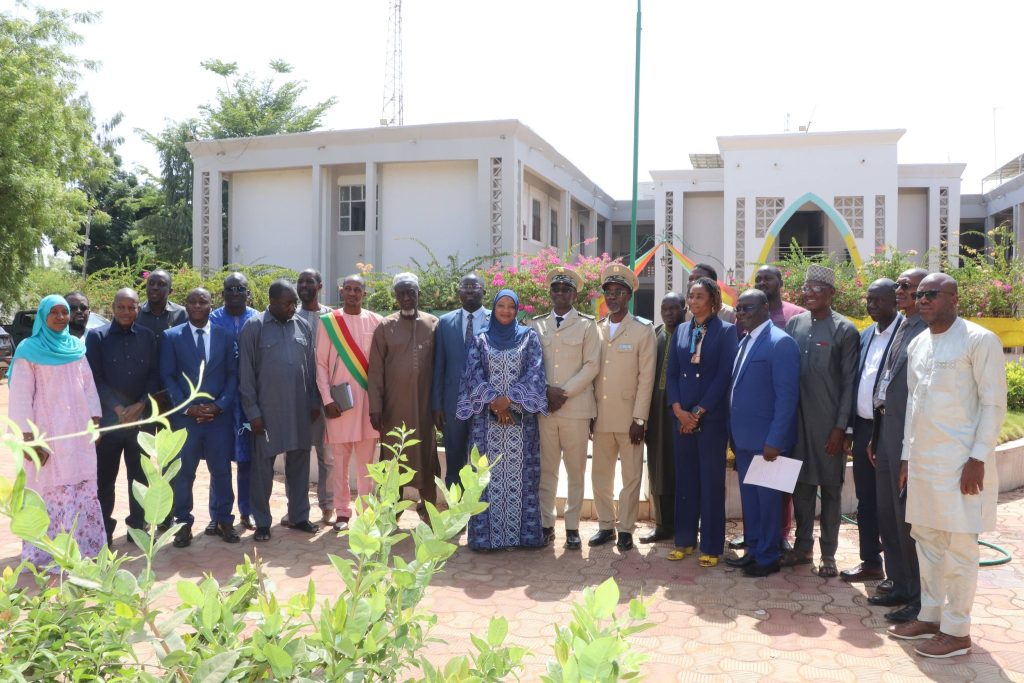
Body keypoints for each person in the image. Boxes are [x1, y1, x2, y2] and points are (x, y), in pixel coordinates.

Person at [888, 273, 1006, 658]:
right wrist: (907, 457)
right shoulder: (919, 343)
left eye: (931, 294)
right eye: (919, 294)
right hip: (923, 463)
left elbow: (993, 403)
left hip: (961, 463)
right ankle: (931, 615)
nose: (922, 299)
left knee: (959, 547)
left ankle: (957, 631)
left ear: (953, 298)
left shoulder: (979, 340)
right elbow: (913, 407)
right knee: (926, 541)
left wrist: (978, 457)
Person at [7, 295, 106, 569]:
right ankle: (46, 554)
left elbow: (88, 386)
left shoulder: (75, 346)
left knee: (82, 488)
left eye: (65, 312)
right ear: (43, 316)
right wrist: (29, 440)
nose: (61, 317)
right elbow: (20, 397)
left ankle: (84, 549)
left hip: (78, 434)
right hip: (46, 435)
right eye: (55, 312)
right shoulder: (29, 349)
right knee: (48, 489)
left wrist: (95, 421)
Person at [456, 289, 548, 550]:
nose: (506, 311)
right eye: (501, 306)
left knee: (523, 480)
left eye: (511, 306)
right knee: (486, 477)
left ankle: (524, 537)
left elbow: (535, 372)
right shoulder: (480, 339)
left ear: (517, 310)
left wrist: (509, 400)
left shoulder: (529, 337)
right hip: (486, 422)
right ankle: (485, 539)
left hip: (521, 422)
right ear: (493, 309)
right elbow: (472, 374)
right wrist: (495, 403)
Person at [782, 265, 859, 578]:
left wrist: (841, 428)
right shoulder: (795, 324)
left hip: (829, 427)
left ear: (831, 293)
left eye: (817, 289)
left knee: (830, 491)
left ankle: (828, 554)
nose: (809, 294)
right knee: (800, 489)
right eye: (806, 288)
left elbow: (849, 384)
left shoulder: (845, 330)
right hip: (798, 425)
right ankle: (802, 548)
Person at [868, 268, 929, 624]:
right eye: (898, 285)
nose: (900, 290)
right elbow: (886, 383)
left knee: (908, 520)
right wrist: (876, 434)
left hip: (907, 437)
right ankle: (899, 584)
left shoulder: (927, 329)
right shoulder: (903, 325)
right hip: (886, 432)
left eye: (907, 286)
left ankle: (919, 597)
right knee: (888, 515)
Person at [238, 280, 321, 542]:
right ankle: (262, 522)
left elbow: (311, 367)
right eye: (287, 303)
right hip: (267, 412)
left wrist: (313, 401)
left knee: (299, 464)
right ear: (272, 302)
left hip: (299, 408)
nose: (293, 307)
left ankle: (298, 516)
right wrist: (253, 412)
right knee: (262, 469)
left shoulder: (303, 325)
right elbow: (246, 374)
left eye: (295, 303)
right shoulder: (254, 326)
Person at [725, 289, 800, 577]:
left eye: (747, 308)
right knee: (751, 503)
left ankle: (768, 558)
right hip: (744, 439)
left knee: (769, 505)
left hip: (768, 443)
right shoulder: (745, 341)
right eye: (738, 308)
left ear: (765, 308)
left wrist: (776, 440)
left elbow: (787, 398)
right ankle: (754, 550)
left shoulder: (781, 343)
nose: (741, 313)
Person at [159, 288, 239, 548]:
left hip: (218, 419)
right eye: (192, 301)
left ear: (210, 304)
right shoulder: (172, 336)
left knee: (222, 471)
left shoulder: (225, 336)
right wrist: (187, 408)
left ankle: (225, 520)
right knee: (184, 474)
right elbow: (168, 376)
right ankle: (183, 524)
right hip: (186, 420)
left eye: (202, 301)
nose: (196, 306)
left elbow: (232, 375)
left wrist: (219, 406)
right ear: (185, 305)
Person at [667, 279, 738, 567]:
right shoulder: (682, 330)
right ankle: (684, 540)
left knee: (710, 482)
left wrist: (698, 412)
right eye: (691, 296)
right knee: (685, 480)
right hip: (681, 418)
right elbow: (672, 373)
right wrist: (678, 410)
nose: (693, 301)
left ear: (713, 300)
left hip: (711, 419)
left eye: (700, 296)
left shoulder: (727, 331)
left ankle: (711, 545)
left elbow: (724, 375)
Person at [528, 267, 600, 549]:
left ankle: (572, 527)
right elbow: (531, 363)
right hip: (545, 407)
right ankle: (547, 524)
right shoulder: (537, 325)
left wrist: (563, 393)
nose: (560, 293)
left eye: (566, 290)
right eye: (556, 289)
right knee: (547, 470)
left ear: (574, 295)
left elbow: (591, 365)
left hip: (575, 409)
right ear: (550, 293)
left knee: (575, 471)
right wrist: (546, 391)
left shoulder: (587, 325)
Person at [85, 288, 159, 546]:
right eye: (121, 307)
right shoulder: (97, 337)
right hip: (109, 423)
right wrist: (117, 408)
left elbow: (154, 375)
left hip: (140, 422)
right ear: (113, 308)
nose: (126, 312)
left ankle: (137, 528)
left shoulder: (148, 337)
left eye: (131, 307)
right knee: (104, 480)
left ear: (138, 308)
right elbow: (94, 378)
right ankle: (103, 532)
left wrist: (140, 405)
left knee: (139, 479)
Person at [590, 264, 656, 552]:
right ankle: (606, 525)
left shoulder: (643, 330)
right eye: (609, 292)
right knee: (600, 476)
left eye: (619, 292)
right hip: (601, 417)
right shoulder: (595, 329)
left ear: (629, 295)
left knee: (631, 476)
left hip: (630, 419)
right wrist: (589, 414)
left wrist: (639, 419)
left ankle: (626, 528)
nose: (613, 297)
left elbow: (646, 378)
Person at [840, 279, 900, 584]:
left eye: (878, 300)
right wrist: (851, 429)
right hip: (864, 428)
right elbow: (856, 382)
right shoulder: (865, 335)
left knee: (890, 503)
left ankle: (898, 572)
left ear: (896, 301)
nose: (871, 306)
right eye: (868, 300)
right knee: (866, 499)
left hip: (889, 430)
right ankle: (871, 562)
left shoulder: (904, 335)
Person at [368, 273, 441, 510]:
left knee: (426, 457)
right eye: (401, 293)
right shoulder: (385, 326)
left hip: (424, 409)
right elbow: (375, 371)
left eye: (411, 292)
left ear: (419, 294)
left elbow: (441, 366)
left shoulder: (433, 324)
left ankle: (427, 508)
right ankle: (391, 512)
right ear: (396, 297)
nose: (406, 298)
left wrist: (439, 405)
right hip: (393, 410)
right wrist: (375, 408)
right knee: (393, 461)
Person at [316, 274, 383, 531]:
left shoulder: (376, 321)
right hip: (340, 405)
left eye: (358, 289)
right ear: (341, 291)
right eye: (348, 288)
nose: (353, 293)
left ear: (364, 294)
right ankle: (342, 513)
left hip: (368, 405)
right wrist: (327, 399)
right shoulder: (329, 322)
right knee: (339, 464)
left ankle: (366, 514)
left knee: (367, 466)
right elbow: (321, 364)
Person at [208, 271, 258, 532]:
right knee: (219, 460)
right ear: (223, 293)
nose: (236, 293)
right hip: (220, 400)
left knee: (248, 460)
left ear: (248, 293)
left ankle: (247, 512)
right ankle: (217, 514)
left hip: (249, 400)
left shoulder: (257, 318)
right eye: (231, 289)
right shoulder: (212, 319)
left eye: (240, 289)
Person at [433, 274, 489, 489]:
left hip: (485, 404)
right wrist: (437, 404)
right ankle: (455, 508)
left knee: (481, 463)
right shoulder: (445, 322)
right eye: (465, 287)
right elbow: (439, 364)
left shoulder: (495, 319)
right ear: (458, 293)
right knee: (454, 461)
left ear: (484, 291)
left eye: (475, 286)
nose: (470, 291)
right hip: (452, 405)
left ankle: (479, 509)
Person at [641, 292, 685, 545]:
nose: (668, 313)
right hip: (656, 410)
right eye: (664, 308)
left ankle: (685, 524)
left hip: (682, 412)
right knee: (658, 467)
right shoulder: (654, 334)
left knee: (681, 468)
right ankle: (662, 525)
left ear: (684, 309)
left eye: (674, 308)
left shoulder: (690, 334)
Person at [296, 268, 334, 525]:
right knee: (296, 455)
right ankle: (296, 508)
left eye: (309, 281)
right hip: (297, 395)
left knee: (327, 455)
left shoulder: (331, 317)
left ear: (320, 286)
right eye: (300, 282)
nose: (304, 286)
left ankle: (328, 506)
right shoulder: (290, 315)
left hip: (326, 396)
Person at [137, 269, 187, 339]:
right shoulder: (136, 312)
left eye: (161, 284)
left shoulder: (182, 314)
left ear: (170, 291)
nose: (155, 288)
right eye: (151, 283)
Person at [753, 265, 806, 330]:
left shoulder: (798, 314)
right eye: (758, 280)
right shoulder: (747, 315)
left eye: (768, 279)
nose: (762, 283)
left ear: (781, 283)